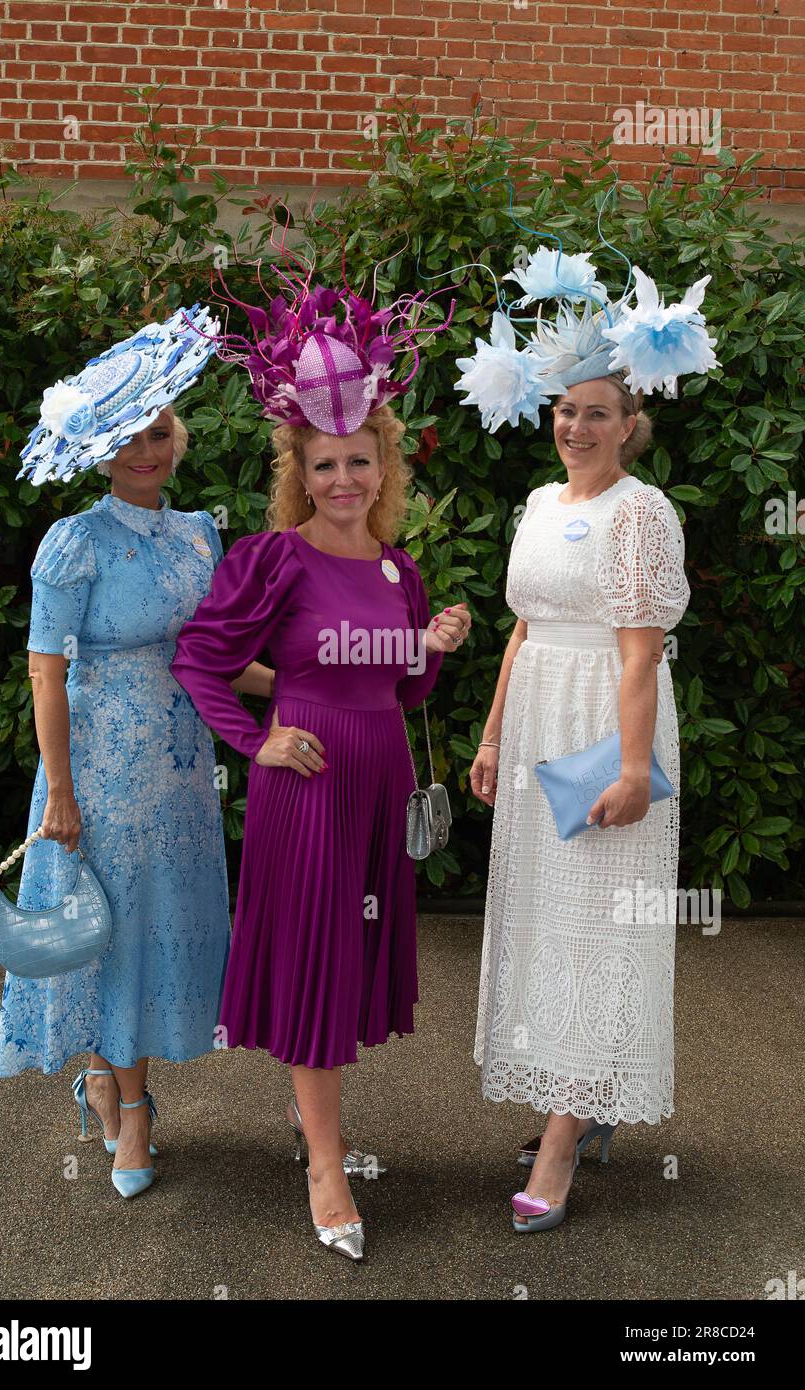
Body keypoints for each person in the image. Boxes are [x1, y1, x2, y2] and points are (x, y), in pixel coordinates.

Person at [171, 263, 470, 1259]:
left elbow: (402, 694)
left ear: (385, 467)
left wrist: (427, 651)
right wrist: (258, 738)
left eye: (359, 462)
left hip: (378, 783)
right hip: (305, 787)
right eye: (324, 466)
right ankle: (325, 1165)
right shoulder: (274, 559)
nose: (343, 480)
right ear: (297, 473)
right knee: (312, 967)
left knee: (345, 966)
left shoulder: (397, 569)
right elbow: (201, 658)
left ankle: (319, 1124)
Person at [455, 238, 718, 1231]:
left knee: (599, 925)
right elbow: (521, 628)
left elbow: (641, 654)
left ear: (629, 423)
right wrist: (485, 743)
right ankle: (580, 1096)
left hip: (606, 725)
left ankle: (564, 1136)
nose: (574, 426)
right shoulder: (532, 504)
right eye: (563, 410)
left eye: (594, 412)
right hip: (532, 726)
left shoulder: (642, 516)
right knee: (544, 925)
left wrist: (632, 768)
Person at [0, 307, 274, 1200]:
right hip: (99, 768)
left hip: (186, 766)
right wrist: (60, 796)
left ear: (178, 437)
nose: (144, 452)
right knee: (104, 930)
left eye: (156, 433)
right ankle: (127, 1106)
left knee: (156, 929)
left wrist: (331, 681)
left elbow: (225, 654)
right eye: (125, 439)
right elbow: (44, 675)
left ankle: (123, 1089)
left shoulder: (200, 534)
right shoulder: (72, 542)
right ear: (101, 452)